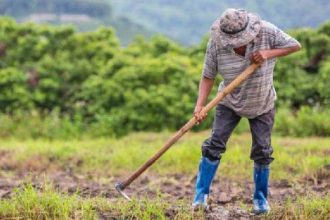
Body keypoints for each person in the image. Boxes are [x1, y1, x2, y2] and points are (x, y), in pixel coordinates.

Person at [192, 8, 301, 214]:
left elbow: (295, 45)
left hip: (262, 101)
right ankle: (200, 197)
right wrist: (200, 106)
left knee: (262, 150)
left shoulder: (267, 32)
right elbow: (208, 75)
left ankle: (260, 200)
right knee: (214, 144)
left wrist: (268, 53)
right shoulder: (216, 43)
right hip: (229, 100)